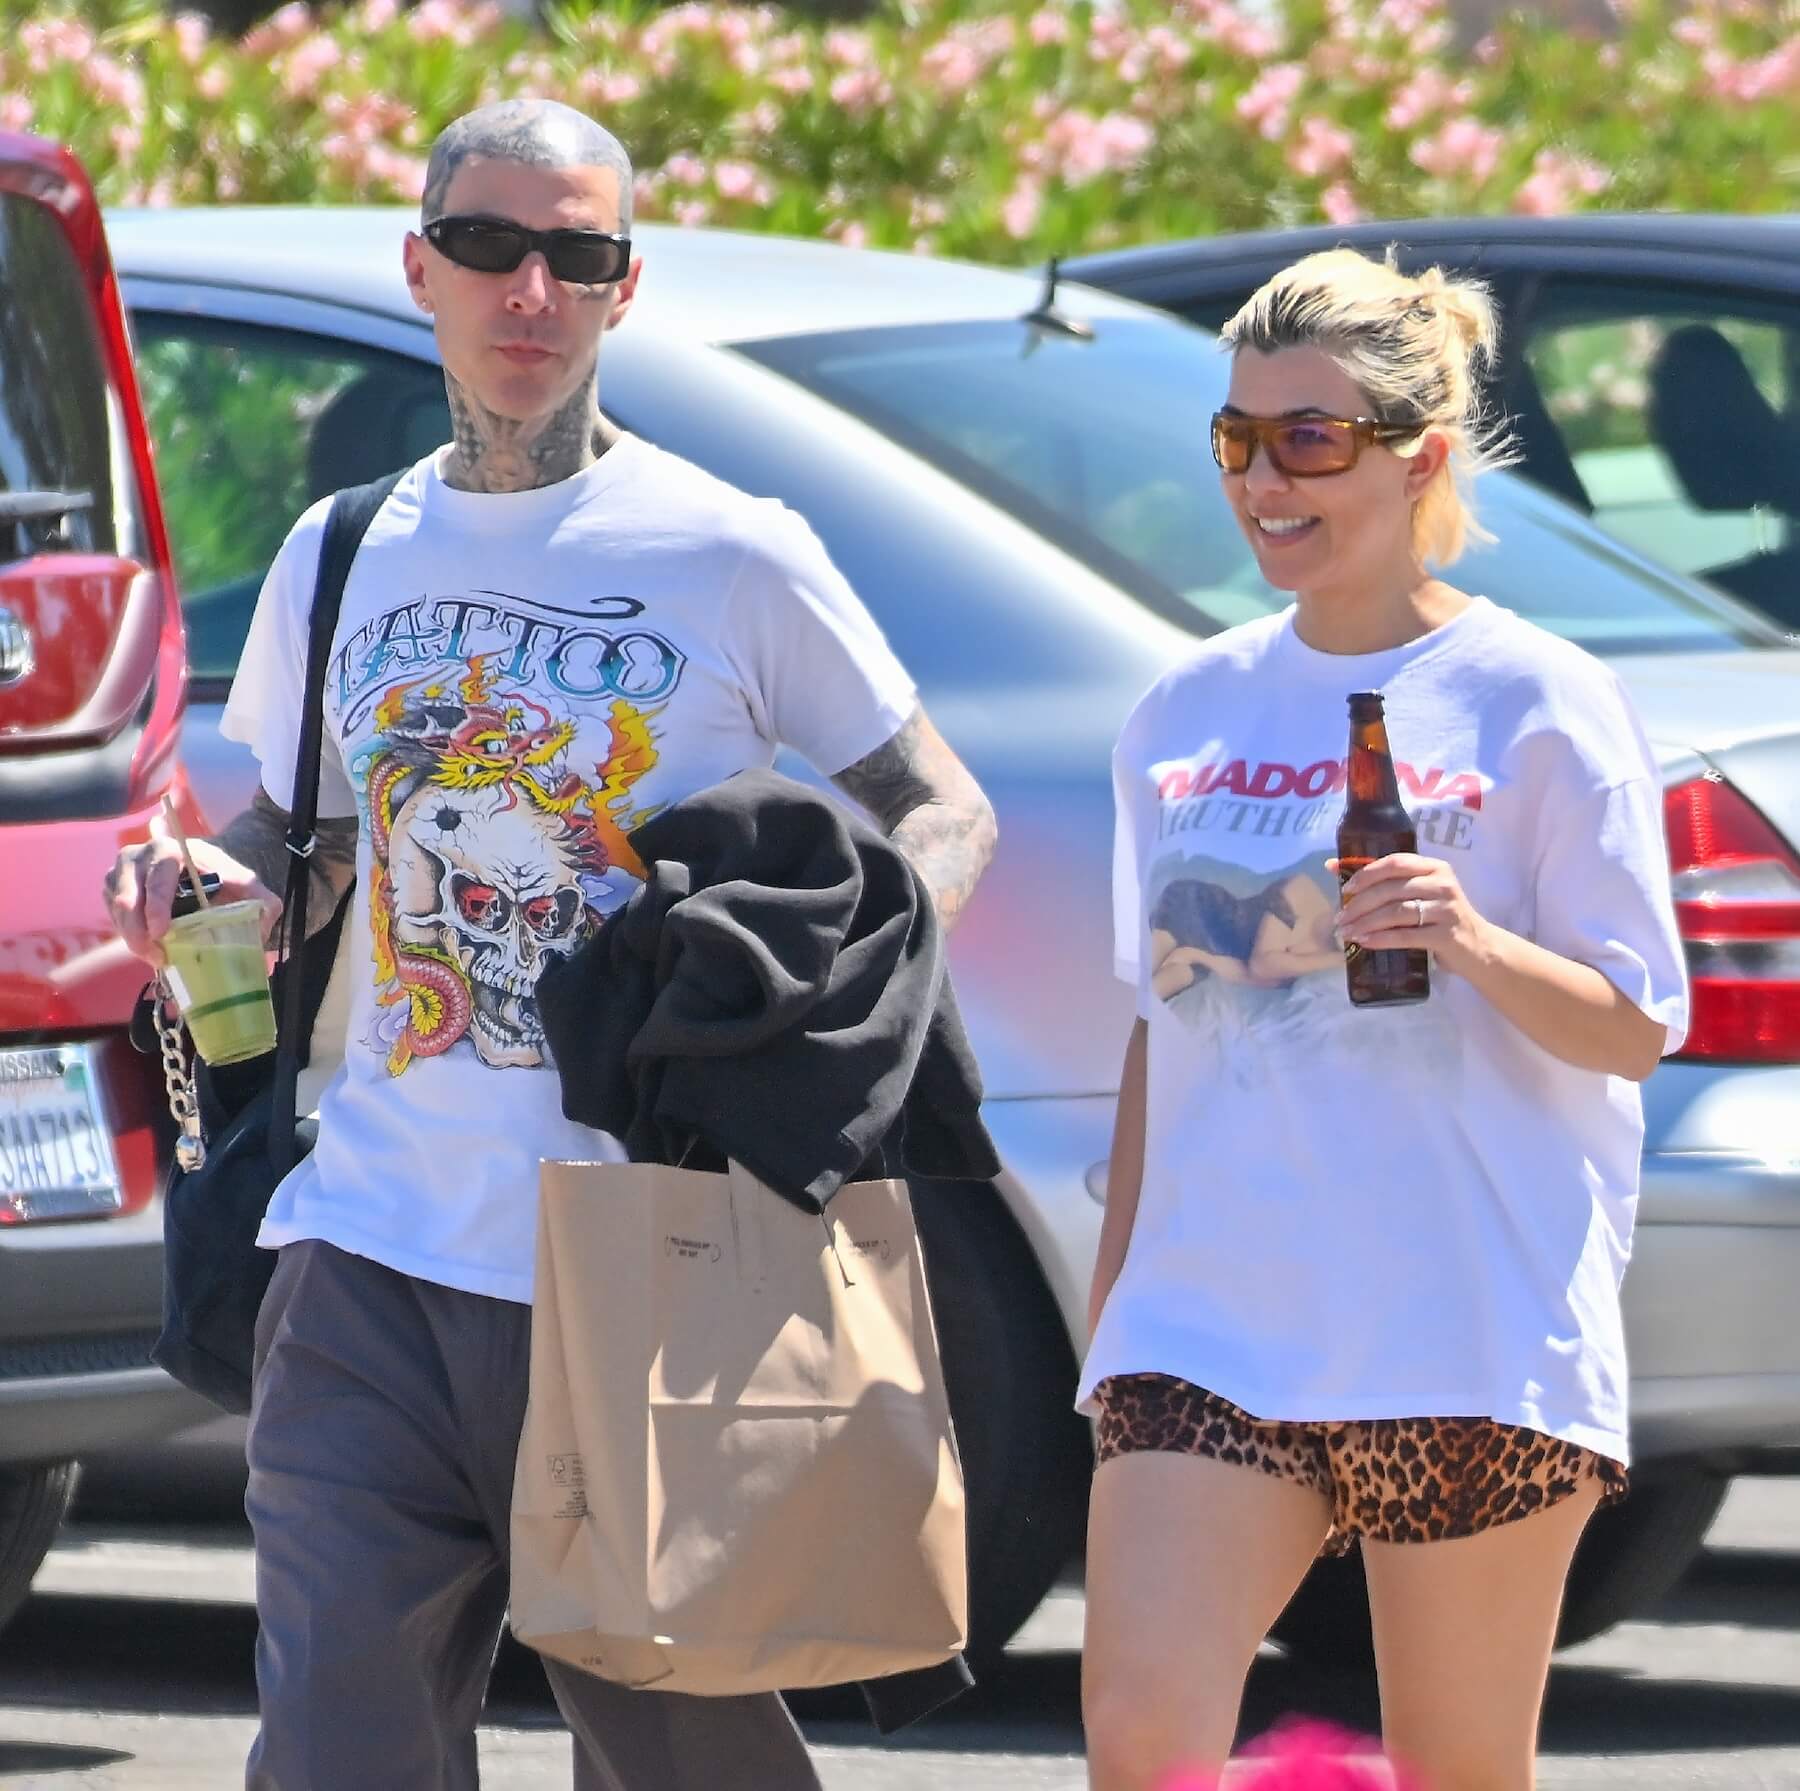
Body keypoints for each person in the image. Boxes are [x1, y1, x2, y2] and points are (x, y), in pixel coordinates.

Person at [104, 98, 996, 1791]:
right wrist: (206, 888)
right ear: (422, 267)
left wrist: (820, 987)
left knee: (684, 1758)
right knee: (337, 1755)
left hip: (648, 1258)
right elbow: (309, 842)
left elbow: (940, 812)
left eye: (574, 257)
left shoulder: (729, 550)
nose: (531, 292)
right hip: (368, 1244)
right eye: (494, 250)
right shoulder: (341, 547)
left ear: (623, 287)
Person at [1079, 248, 1688, 1791]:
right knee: (1143, 1748)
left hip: (1461, 1319)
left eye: (1309, 439)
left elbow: (1636, 1026)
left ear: (1416, 457)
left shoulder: (1534, 700)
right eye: (1238, 440)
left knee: (1455, 1772)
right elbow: (1164, 1027)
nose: (1264, 481)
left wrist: (1471, 939)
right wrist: (1113, 1318)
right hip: (1209, 1327)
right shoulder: (1183, 710)